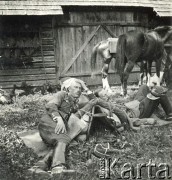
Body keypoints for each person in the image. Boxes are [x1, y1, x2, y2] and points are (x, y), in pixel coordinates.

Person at [28, 78, 129, 179]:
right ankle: (57, 168)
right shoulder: (61, 94)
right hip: (49, 122)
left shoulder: (75, 103)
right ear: (68, 89)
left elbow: (92, 102)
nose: (79, 90)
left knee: (65, 141)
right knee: (64, 139)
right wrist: (58, 119)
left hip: (60, 126)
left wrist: (87, 93)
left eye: (80, 88)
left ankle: (38, 168)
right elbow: (50, 105)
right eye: (75, 87)